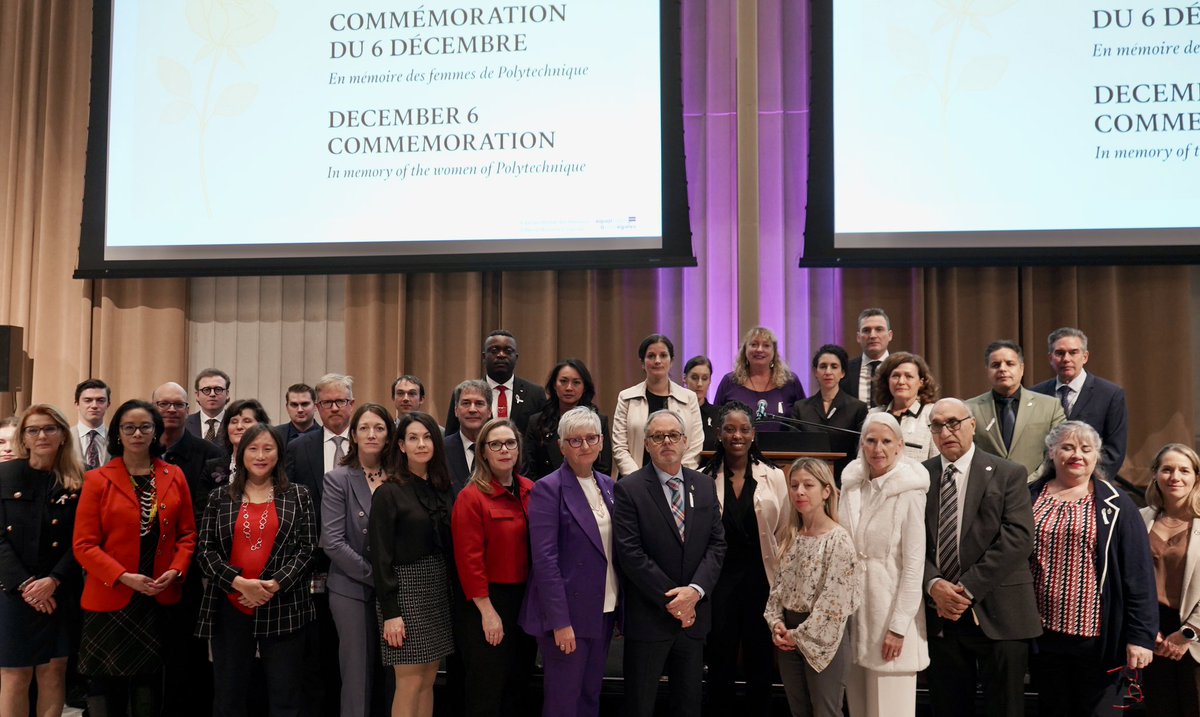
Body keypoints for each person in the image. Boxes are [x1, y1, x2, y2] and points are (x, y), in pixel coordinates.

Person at [73, 400, 196, 717]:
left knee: (149, 683)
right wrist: (123, 576)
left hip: (158, 591)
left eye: (145, 427)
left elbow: (187, 534)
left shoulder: (174, 475)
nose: (138, 433)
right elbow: (84, 545)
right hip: (111, 591)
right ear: (118, 432)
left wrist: (177, 570)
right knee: (106, 686)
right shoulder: (97, 479)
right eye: (129, 427)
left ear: (156, 431)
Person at [921, 398, 1041, 717]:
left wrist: (965, 589)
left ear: (972, 425)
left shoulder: (1008, 472)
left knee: (1005, 708)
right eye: (937, 425)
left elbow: (1018, 538)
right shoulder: (919, 476)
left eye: (954, 423)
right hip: (940, 616)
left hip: (1001, 613)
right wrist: (934, 584)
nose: (946, 431)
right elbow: (909, 542)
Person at [1028, 421, 1156, 714]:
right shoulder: (1029, 497)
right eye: (1068, 447)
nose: (1077, 455)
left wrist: (1140, 637)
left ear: (1097, 456)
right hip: (1043, 637)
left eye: (1086, 449)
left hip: (1098, 641)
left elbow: (1138, 575)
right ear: (1051, 452)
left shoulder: (1117, 504)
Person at [195, 423, 316, 717]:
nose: (260, 455)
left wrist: (273, 585)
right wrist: (238, 583)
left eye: (268, 448)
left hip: (284, 605)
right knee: (228, 696)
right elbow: (205, 551)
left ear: (279, 453)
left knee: (286, 695)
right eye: (253, 448)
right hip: (230, 607)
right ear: (240, 454)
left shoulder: (298, 495)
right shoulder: (220, 497)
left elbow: (308, 548)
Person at [612, 409, 726, 717]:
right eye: (657, 436)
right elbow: (630, 554)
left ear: (685, 441)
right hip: (650, 618)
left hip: (693, 621)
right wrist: (677, 600)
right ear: (647, 444)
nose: (666, 442)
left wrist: (695, 592)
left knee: (688, 706)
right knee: (640, 706)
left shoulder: (703, 485)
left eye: (673, 435)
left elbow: (717, 544)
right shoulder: (628, 489)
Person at [519, 407, 618, 717]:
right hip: (567, 615)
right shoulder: (548, 489)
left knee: (590, 696)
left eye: (591, 438)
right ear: (561, 446)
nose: (584, 446)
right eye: (575, 440)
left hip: (603, 608)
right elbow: (545, 561)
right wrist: (560, 623)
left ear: (601, 442)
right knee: (564, 701)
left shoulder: (609, 486)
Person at [699, 401, 790, 714]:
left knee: (759, 659)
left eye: (743, 429)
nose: (736, 435)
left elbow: (783, 531)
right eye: (729, 429)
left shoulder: (775, 477)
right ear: (719, 434)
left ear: (754, 434)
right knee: (720, 659)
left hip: (760, 580)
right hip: (719, 581)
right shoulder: (703, 478)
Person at [838, 412, 929, 717]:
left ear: (899, 446)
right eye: (871, 440)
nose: (878, 448)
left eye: (886, 441)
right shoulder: (851, 486)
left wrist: (898, 627)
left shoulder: (910, 492)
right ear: (861, 444)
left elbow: (914, 566)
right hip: (853, 618)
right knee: (860, 710)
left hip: (891, 619)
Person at [370, 411, 457, 717]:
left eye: (427, 436)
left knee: (428, 679)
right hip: (403, 592)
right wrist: (391, 613)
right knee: (408, 681)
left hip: (436, 591)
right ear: (402, 446)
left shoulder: (444, 489)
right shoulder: (388, 492)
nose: (421, 443)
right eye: (413, 438)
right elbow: (380, 559)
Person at [0, 405, 83, 717]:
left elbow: (83, 541)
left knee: (53, 669)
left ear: (62, 434)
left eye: (50, 428)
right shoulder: (4, 475)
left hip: (59, 589)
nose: (42, 435)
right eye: (33, 430)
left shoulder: (79, 479)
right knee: (15, 674)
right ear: (23, 437)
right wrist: (26, 586)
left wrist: (54, 581)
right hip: (12, 590)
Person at [451, 418, 536, 716]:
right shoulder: (471, 497)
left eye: (510, 443)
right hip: (486, 604)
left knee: (518, 683)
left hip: (525, 601)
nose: (504, 450)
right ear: (483, 452)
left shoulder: (531, 490)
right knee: (487, 689)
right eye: (495, 444)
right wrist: (488, 613)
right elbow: (468, 560)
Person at [764, 458, 860, 717]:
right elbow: (778, 588)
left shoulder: (838, 540)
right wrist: (776, 624)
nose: (799, 492)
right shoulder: (791, 535)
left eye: (808, 485)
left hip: (824, 636)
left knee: (825, 711)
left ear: (826, 491)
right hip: (788, 635)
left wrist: (799, 635)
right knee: (799, 710)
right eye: (794, 485)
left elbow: (833, 603)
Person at [284, 373, 355, 717]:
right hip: (312, 566)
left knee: (354, 655)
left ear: (351, 404)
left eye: (340, 401)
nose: (334, 408)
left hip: (359, 565)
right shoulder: (299, 447)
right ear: (317, 407)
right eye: (326, 402)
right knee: (317, 653)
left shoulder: (368, 442)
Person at [152, 381, 223, 717]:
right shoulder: (139, 450)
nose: (171, 410)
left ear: (188, 408)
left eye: (178, 405)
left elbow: (205, 513)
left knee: (188, 652)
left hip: (190, 568)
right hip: (144, 567)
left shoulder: (209, 454)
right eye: (164, 404)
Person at [322, 404, 394, 717]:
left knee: (397, 677)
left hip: (397, 591)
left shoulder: (401, 477)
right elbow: (333, 542)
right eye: (364, 428)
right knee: (357, 678)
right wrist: (378, 577)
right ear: (353, 435)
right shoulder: (338, 479)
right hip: (352, 588)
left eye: (378, 427)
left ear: (390, 436)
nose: (371, 434)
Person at [1140, 443, 1200, 716]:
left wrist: (1188, 633)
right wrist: (1143, 630)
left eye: (1184, 470)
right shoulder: (1139, 519)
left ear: (1195, 477)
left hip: (1193, 636)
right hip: (1151, 636)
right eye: (1167, 469)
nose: (1175, 476)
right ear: (1155, 475)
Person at [1031, 327, 1129, 479]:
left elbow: (1114, 451)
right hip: (1043, 483)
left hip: (1090, 483)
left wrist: (1087, 483)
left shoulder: (1110, 394)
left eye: (1073, 352)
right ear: (1050, 358)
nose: (1066, 359)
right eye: (1060, 353)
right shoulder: (1035, 394)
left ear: (1085, 356)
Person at [967, 341, 1066, 482]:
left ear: (1022, 368)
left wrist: (1031, 480)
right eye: (996, 365)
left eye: (1009, 363)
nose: (1002, 369)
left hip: (1035, 489)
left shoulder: (1050, 406)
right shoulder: (970, 408)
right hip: (986, 490)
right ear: (987, 370)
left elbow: (1059, 449)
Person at [612, 334, 704, 476]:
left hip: (677, 483)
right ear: (642, 363)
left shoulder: (689, 398)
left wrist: (676, 477)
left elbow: (695, 446)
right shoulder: (626, 398)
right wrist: (637, 481)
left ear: (671, 361)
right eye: (651, 356)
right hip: (634, 483)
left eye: (663, 355)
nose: (657, 361)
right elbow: (620, 447)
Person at [523, 359, 612, 479]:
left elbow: (603, 470)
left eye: (576, 382)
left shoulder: (599, 421)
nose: (569, 388)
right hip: (546, 492)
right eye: (563, 381)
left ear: (584, 387)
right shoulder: (537, 422)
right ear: (554, 385)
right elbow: (529, 471)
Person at [444, 330, 548, 435]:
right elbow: (451, 436)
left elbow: (541, 438)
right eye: (494, 351)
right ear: (484, 357)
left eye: (508, 351)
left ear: (516, 358)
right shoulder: (464, 392)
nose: (501, 355)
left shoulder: (535, 393)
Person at [792, 344, 869, 480]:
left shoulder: (857, 408)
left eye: (834, 367)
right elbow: (794, 449)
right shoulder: (801, 408)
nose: (828, 372)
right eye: (823, 366)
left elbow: (860, 452)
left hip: (846, 479)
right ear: (816, 372)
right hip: (808, 478)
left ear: (842, 373)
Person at [713, 326, 806, 431]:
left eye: (766, 345)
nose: (759, 349)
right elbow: (717, 421)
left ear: (774, 352)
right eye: (754, 345)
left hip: (783, 446)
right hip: (739, 446)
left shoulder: (790, 381)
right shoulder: (730, 381)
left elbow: (803, 420)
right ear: (745, 350)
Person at [200, 399, 272, 519]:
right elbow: (201, 514)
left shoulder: (269, 465)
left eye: (247, 421)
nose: (239, 426)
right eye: (233, 421)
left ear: (261, 426)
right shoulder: (211, 467)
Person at [868, 352, 939, 461]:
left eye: (908, 376)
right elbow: (863, 458)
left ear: (921, 382)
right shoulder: (874, 415)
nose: (901, 381)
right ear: (887, 381)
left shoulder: (932, 414)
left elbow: (938, 462)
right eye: (895, 376)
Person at [443, 381, 492, 494]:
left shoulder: (500, 449)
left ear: (489, 411)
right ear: (456, 410)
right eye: (466, 403)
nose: (472, 409)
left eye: (479, 403)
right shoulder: (441, 448)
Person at [839, 309, 894, 406]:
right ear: (858, 337)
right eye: (866, 330)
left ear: (890, 335)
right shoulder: (844, 370)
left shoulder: (901, 368)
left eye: (879, 329)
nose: (872, 335)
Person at [73, 379, 111, 471]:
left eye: (100, 400)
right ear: (77, 404)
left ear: (108, 404)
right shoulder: (63, 438)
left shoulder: (117, 438)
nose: (94, 405)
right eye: (88, 400)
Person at [683, 356, 720, 451]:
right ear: (684, 379)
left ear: (710, 381)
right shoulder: (675, 411)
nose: (699, 384)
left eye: (704, 378)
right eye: (694, 378)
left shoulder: (718, 414)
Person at [187, 368, 232, 442]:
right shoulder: (184, 425)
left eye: (218, 389)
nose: (212, 394)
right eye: (206, 390)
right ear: (197, 395)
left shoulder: (234, 424)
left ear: (227, 394)